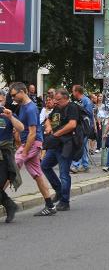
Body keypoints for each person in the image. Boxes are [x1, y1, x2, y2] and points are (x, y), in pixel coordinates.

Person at [10, 82, 56, 216]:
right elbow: (22, 128)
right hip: (30, 144)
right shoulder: (22, 106)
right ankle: (50, 206)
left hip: (32, 144)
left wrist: (23, 152)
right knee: (37, 175)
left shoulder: (30, 108)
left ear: (22, 92)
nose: (13, 98)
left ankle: (6, 202)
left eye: (14, 95)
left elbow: (33, 133)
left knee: (10, 168)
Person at [41, 89, 79, 211]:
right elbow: (48, 119)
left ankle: (64, 201)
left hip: (66, 145)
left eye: (58, 100)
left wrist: (56, 134)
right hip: (55, 145)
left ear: (66, 98)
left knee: (64, 174)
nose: (55, 102)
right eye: (55, 99)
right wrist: (48, 127)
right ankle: (59, 190)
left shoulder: (72, 107)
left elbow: (72, 124)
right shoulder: (57, 108)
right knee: (45, 165)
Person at [0, 90, 24, 223]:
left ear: (5, 101)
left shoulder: (9, 114)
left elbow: (21, 128)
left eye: (0, 101)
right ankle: (10, 206)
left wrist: (10, 117)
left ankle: (10, 206)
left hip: (4, 155)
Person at [70, 85, 94, 173]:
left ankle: (75, 165)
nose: (72, 93)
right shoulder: (79, 101)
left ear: (77, 92)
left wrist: (78, 109)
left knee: (79, 145)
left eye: (73, 91)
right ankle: (85, 165)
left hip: (85, 127)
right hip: (81, 126)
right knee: (83, 146)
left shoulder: (86, 101)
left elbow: (89, 114)